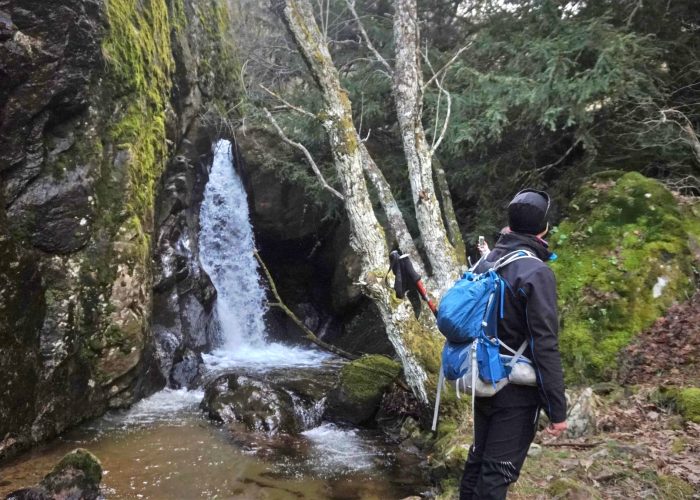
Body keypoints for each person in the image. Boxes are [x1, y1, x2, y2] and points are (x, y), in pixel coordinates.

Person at [460, 189, 567, 499]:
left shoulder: (489, 261)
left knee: (478, 461)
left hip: (483, 377)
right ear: (543, 228)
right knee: (497, 473)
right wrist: (556, 410)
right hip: (516, 391)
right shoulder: (536, 272)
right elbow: (544, 344)